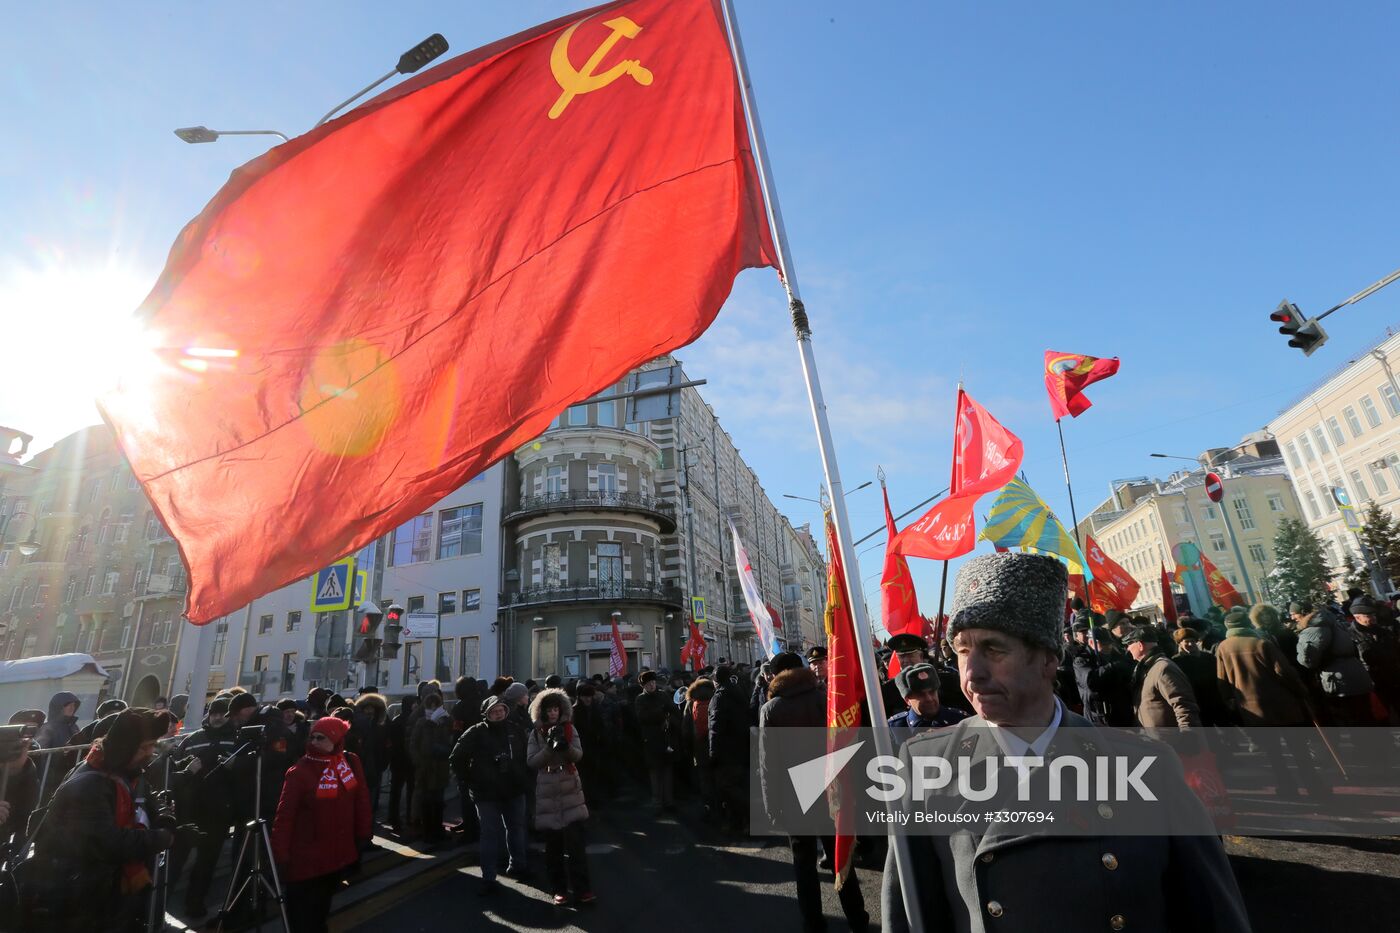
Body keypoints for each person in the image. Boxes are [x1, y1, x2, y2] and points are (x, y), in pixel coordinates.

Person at [881, 553, 1251, 933]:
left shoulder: (1148, 766)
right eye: (962, 651)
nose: (971, 673)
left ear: (1046, 659)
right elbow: (911, 914)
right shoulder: (924, 762)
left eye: (993, 650)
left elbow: (1212, 913)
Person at [30, 708, 175, 932]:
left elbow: (148, 798)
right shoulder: (91, 785)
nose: (150, 753)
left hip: (105, 891)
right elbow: (109, 843)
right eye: (145, 747)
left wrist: (164, 817)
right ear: (125, 747)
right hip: (79, 896)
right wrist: (162, 837)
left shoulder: (123, 770)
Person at [759, 651, 869, 932]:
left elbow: (768, 762)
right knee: (840, 858)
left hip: (795, 797)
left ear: (776, 675)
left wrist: (772, 806)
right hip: (832, 789)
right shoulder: (825, 698)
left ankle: (813, 923)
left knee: (804, 865)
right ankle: (858, 918)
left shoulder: (771, 709)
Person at [271, 716, 371, 933]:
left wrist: (364, 833)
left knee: (320, 910)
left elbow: (361, 799)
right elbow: (284, 816)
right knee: (300, 916)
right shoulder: (300, 771)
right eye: (313, 737)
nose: (314, 742)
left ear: (336, 741)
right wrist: (280, 855)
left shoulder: (349, 762)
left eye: (321, 738)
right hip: (305, 858)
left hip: (335, 855)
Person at [1215, 610, 1331, 798]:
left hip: (1253, 708)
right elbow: (1283, 672)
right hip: (1281, 703)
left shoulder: (1223, 647)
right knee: (1299, 750)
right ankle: (1314, 786)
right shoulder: (1261, 643)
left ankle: (1286, 788)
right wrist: (1301, 690)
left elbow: (1222, 679)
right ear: (1248, 623)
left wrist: (1230, 700)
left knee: (1274, 754)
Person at [452, 695, 530, 895]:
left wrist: (523, 776)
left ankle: (518, 865)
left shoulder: (514, 729)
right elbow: (457, 757)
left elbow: (527, 755)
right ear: (486, 714)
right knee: (489, 834)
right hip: (486, 793)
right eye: (494, 711)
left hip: (514, 788)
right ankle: (489, 876)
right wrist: (469, 779)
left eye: (501, 710)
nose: (498, 714)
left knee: (516, 828)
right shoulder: (476, 732)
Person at [170, 696, 239, 920]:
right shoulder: (193, 738)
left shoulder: (236, 739)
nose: (218, 717)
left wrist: (234, 768)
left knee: (207, 862)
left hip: (218, 810)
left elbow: (243, 774)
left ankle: (194, 904)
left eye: (222, 713)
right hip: (189, 808)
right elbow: (176, 765)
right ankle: (160, 904)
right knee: (176, 860)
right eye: (214, 713)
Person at [526, 688, 596, 906]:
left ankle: (583, 889)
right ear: (542, 712)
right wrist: (549, 747)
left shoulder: (569, 728)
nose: (553, 713)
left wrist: (565, 748)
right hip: (548, 791)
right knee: (553, 848)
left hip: (569, 789)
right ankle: (559, 889)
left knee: (576, 846)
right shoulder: (536, 733)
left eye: (556, 708)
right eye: (549, 710)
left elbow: (579, 754)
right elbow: (532, 761)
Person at [1295, 599, 1377, 724]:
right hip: (1357, 675)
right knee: (1366, 716)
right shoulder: (1335, 623)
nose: (1292, 617)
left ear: (1301, 614)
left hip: (1340, 681)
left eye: (1293, 614)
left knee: (1353, 721)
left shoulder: (1314, 629)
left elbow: (1307, 660)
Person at [1122, 626, 1202, 730]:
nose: (1128, 648)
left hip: (1171, 741)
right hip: (1157, 740)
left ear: (1140, 645)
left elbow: (1184, 706)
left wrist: (1187, 737)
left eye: (1129, 644)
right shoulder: (1147, 668)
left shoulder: (1163, 668)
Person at [707, 664, 751, 834]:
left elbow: (715, 728)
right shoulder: (739, 691)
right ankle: (740, 823)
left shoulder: (719, 697)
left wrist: (713, 753)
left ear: (715, 681)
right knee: (740, 785)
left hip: (727, 751)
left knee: (727, 787)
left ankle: (747, 816)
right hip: (742, 747)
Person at [410, 692, 453, 849]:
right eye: (431, 706)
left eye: (436, 706)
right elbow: (414, 744)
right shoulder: (422, 723)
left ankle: (437, 830)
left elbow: (451, 739)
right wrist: (419, 762)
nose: (433, 709)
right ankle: (428, 832)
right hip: (426, 768)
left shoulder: (444, 721)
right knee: (427, 801)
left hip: (440, 767)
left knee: (439, 801)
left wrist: (448, 720)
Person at [1347, 596, 1400, 722]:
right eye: (1368, 615)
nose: (1373, 617)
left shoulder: (1383, 631)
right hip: (1373, 684)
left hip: (1394, 678)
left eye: (1373, 614)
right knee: (1382, 719)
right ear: (1357, 617)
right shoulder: (1350, 636)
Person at [635, 670, 680, 811]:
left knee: (667, 771)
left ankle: (669, 801)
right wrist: (661, 714)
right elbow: (642, 717)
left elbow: (674, 711)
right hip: (651, 739)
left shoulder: (663, 695)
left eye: (653, 682)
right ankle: (657, 803)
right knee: (655, 773)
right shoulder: (640, 699)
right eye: (648, 684)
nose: (652, 685)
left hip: (666, 738)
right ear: (644, 685)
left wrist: (669, 720)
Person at [886, 662, 969, 736]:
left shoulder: (960, 720)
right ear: (907, 700)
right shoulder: (894, 729)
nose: (929, 698)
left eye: (932, 692)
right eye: (921, 695)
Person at [386, 694, 418, 833]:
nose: (416, 706)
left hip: (399, 760)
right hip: (408, 760)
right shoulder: (412, 720)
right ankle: (407, 817)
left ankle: (394, 818)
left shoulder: (397, 720)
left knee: (397, 791)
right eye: (414, 703)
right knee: (408, 790)